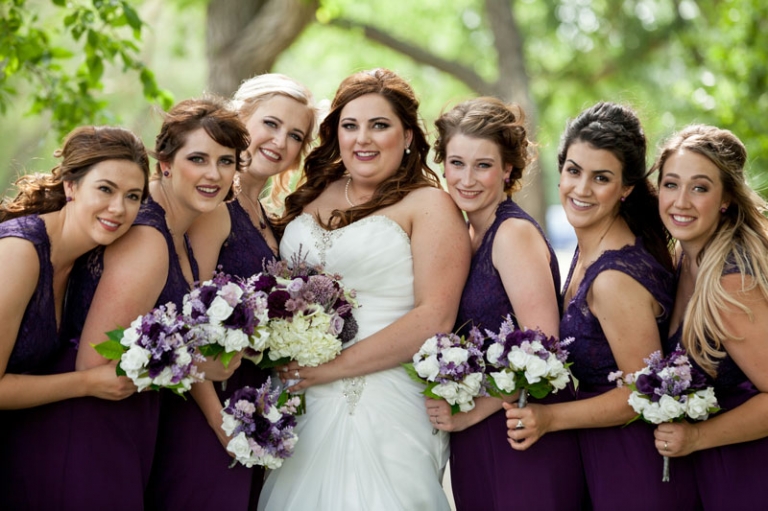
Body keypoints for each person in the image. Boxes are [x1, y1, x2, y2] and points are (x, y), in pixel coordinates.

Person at [257, 68, 471, 511]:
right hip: (299, 397)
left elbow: (435, 317)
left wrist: (329, 370)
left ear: (408, 135)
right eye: (350, 126)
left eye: (380, 125)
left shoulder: (429, 205)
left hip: (384, 400)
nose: (362, 139)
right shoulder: (311, 192)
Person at [503, 102, 699, 510]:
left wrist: (550, 419)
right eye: (574, 171)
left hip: (633, 466)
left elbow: (641, 392)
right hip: (599, 458)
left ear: (626, 188)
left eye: (601, 178)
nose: (581, 189)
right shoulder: (591, 247)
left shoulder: (614, 280)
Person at [61, 97, 250, 511]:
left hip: (136, 423)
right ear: (165, 161)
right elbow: (92, 365)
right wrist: (197, 365)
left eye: (226, 161)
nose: (213, 174)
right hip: (92, 427)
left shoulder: (179, 231)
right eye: (198, 158)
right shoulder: (147, 237)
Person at [153, 74, 316, 510]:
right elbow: (193, 317)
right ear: (240, 119)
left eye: (295, 135)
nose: (280, 141)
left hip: (253, 405)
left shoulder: (266, 216)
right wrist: (218, 421)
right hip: (209, 405)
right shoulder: (214, 205)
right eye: (271, 123)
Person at [424, 97, 588, 510]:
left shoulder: (512, 233)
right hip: (480, 433)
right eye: (457, 163)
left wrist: (470, 413)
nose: (467, 178)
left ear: (508, 169)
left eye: (483, 165)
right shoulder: (465, 234)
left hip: (520, 433)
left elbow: (544, 348)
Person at [0, 126, 149, 509]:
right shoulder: (19, 254)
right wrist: (86, 383)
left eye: (133, 196)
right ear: (71, 186)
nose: (119, 208)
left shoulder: (88, 261)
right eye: (105, 189)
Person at [651, 125, 768, 510]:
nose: (680, 201)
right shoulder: (683, 257)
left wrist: (698, 438)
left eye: (699, 188)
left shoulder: (730, 283)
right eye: (671, 184)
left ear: (725, 199)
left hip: (748, 472)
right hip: (710, 471)